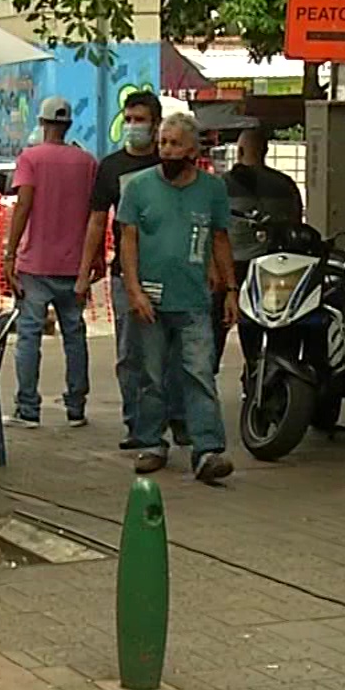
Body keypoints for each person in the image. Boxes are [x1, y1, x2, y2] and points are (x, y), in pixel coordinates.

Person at [118, 112, 237, 483]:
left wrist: (230, 289)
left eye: (174, 144)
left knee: (199, 373)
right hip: (149, 300)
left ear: (191, 150)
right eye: (162, 143)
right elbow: (129, 241)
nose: (166, 150)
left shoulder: (212, 190)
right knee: (152, 375)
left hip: (194, 301)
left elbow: (220, 239)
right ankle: (152, 442)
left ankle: (208, 449)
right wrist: (134, 290)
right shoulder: (137, 188)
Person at [75, 90, 184, 450]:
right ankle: (136, 424)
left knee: (172, 351)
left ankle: (173, 417)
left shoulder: (168, 161)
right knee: (129, 353)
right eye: (130, 119)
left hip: (172, 273)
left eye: (141, 120)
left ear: (155, 125)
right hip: (126, 273)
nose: (134, 126)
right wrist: (85, 268)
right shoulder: (111, 167)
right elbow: (96, 219)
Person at [3, 97, 98, 428]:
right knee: (75, 334)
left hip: (35, 264)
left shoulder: (30, 159)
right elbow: (94, 215)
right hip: (74, 265)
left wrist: (10, 252)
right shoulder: (87, 163)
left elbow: (23, 204)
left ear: (42, 123)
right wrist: (94, 259)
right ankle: (76, 407)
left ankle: (28, 408)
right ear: (69, 124)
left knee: (29, 335)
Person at [218, 125, 303, 373]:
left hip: (233, 267)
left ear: (240, 150)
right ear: (265, 151)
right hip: (276, 268)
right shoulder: (286, 186)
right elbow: (296, 223)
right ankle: (268, 372)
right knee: (273, 329)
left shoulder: (222, 185)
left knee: (219, 329)